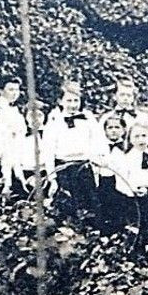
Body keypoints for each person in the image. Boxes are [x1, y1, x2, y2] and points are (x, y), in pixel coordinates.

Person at [44, 82, 101, 214]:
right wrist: (52, 178)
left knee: (90, 204)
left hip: (84, 167)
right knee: (68, 204)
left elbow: (97, 143)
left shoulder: (88, 119)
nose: (73, 104)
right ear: (60, 101)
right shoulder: (54, 121)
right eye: (68, 100)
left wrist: (96, 169)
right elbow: (48, 151)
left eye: (76, 100)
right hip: (64, 170)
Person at [90, 114, 133, 233]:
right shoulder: (99, 146)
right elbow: (93, 158)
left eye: (117, 127)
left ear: (124, 130)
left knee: (120, 209)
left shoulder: (127, 147)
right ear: (104, 130)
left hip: (122, 182)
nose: (113, 131)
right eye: (110, 128)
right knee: (104, 208)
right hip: (104, 181)